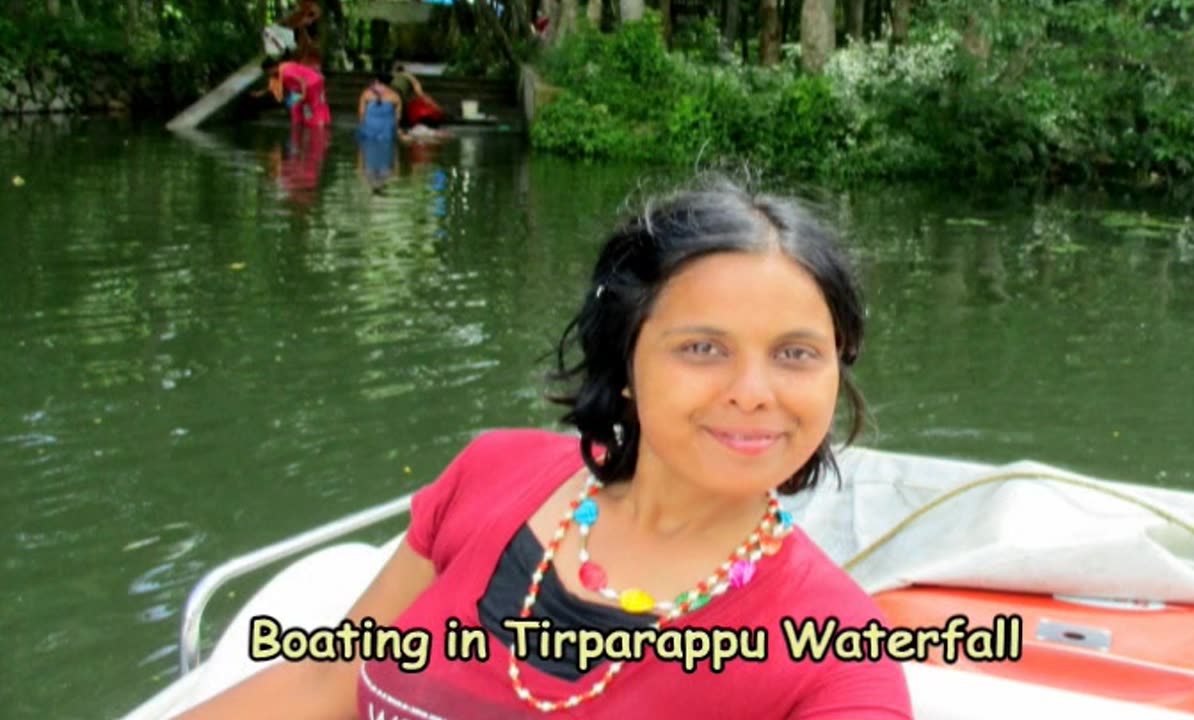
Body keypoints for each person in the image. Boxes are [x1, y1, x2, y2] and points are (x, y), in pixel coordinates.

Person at [173, 178, 914, 719]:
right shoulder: (491, 476)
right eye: (702, 347)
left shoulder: (838, 662)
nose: (754, 390)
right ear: (625, 361)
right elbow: (322, 685)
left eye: (795, 354)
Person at [260, 58, 331, 128]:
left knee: (311, 106)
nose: (268, 73)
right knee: (302, 106)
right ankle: (305, 124)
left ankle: (317, 125)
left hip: (311, 84)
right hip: (312, 82)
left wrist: (303, 94)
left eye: (268, 71)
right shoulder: (284, 68)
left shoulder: (285, 72)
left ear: (272, 67)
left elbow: (301, 81)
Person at [390, 63, 448, 130]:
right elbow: (421, 95)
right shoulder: (410, 77)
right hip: (397, 96)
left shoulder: (395, 77)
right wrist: (438, 108)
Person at [356, 72, 401, 141]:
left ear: (377, 81)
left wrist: (362, 128)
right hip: (387, 132)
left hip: (369, 130)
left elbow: (361, 114)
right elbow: (397, 118)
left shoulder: (366, 94)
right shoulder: (395, 96)